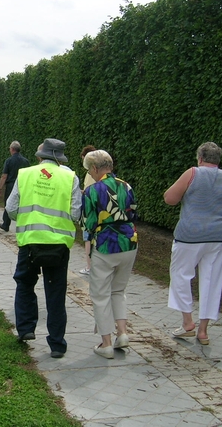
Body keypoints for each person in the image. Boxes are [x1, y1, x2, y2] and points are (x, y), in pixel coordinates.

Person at [164, 142, 222, 345]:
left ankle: (187, 321)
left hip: (190, 234)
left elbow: (170, 198)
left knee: (180, 274)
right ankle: (203, 331)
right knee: (212, 280)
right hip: (219, 236)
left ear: (200, 158)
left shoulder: (193, 173)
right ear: (218, 159)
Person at [6, 138, 81, 359]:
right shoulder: (70, 177)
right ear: (61, 158)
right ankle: (57, 343)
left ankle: (26, 329)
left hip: (30, 241)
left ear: (40, 157)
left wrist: (25, 220)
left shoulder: (25, 174)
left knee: (25, 283)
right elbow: (76, 213)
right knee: (56, 292)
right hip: (58, 244)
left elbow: (11, 208)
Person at [83, 150, 138, 359]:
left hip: (106, 244)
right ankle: (122, 333)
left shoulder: (92, 190)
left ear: (95, 169)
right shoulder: (126, 186)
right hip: (130, 242)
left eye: (90, 170)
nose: (90, 173)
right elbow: (133, 211)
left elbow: (88, 221)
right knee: (118, 290)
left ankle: (106, 342)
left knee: (100, 294)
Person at [0, 141, 30, 232]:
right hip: (22, 185)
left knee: (9, 204)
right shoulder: (26, 161)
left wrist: (0, 188)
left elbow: (4, 176)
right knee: (22, 205)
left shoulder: (9, 161)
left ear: (12, 149)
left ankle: (6, 224)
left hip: (11, 185)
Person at [79, 144, 97, 275]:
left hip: (90, 209)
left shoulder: (91, 173)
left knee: (87, 237)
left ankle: (90, 266)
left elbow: (89, 191)